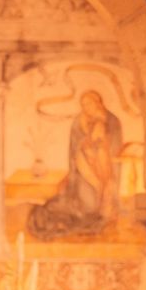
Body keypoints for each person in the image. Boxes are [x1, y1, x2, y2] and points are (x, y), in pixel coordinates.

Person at [28, 90, 123, 240]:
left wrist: (99, 150)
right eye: (83, 104)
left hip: (103, 170)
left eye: (89, 103)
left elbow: (115, 149)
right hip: (83, 172)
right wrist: (85, 151)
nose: (86, 107)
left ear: (98, 103)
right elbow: (74, 149)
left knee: (97, 203)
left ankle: (93, 218)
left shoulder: (111, 121)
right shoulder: (79, 122)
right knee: (83, 204)